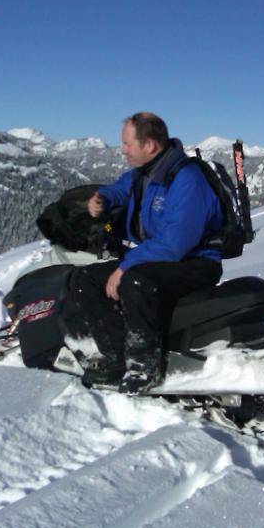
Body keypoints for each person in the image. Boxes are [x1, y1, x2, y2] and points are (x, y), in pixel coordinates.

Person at [63, 112, 224, 394]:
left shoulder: (187, 180)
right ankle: (117, 358)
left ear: (149, 145)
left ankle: (144, 368)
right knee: (84, 279)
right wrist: (103, 198)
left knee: (135, 280)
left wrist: (126, 267)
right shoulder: (145, 172)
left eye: (127, 144)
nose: (122, 150)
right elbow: (121, 188)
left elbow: (175, 243)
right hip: (164, 258)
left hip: (197, 262)